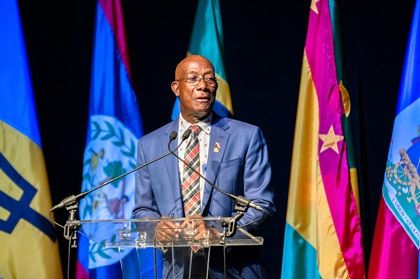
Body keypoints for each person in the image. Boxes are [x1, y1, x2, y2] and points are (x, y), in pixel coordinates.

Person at [132, 55, 275, 278]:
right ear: (176, 88)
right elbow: (143, 210)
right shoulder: (150, 145)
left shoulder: (245, 136)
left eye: (210, 79)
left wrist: (218, 233)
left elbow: (261, 205)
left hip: (234, 270)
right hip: (177, 270)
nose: (203, 86)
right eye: (193, 79)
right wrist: (155, 227)